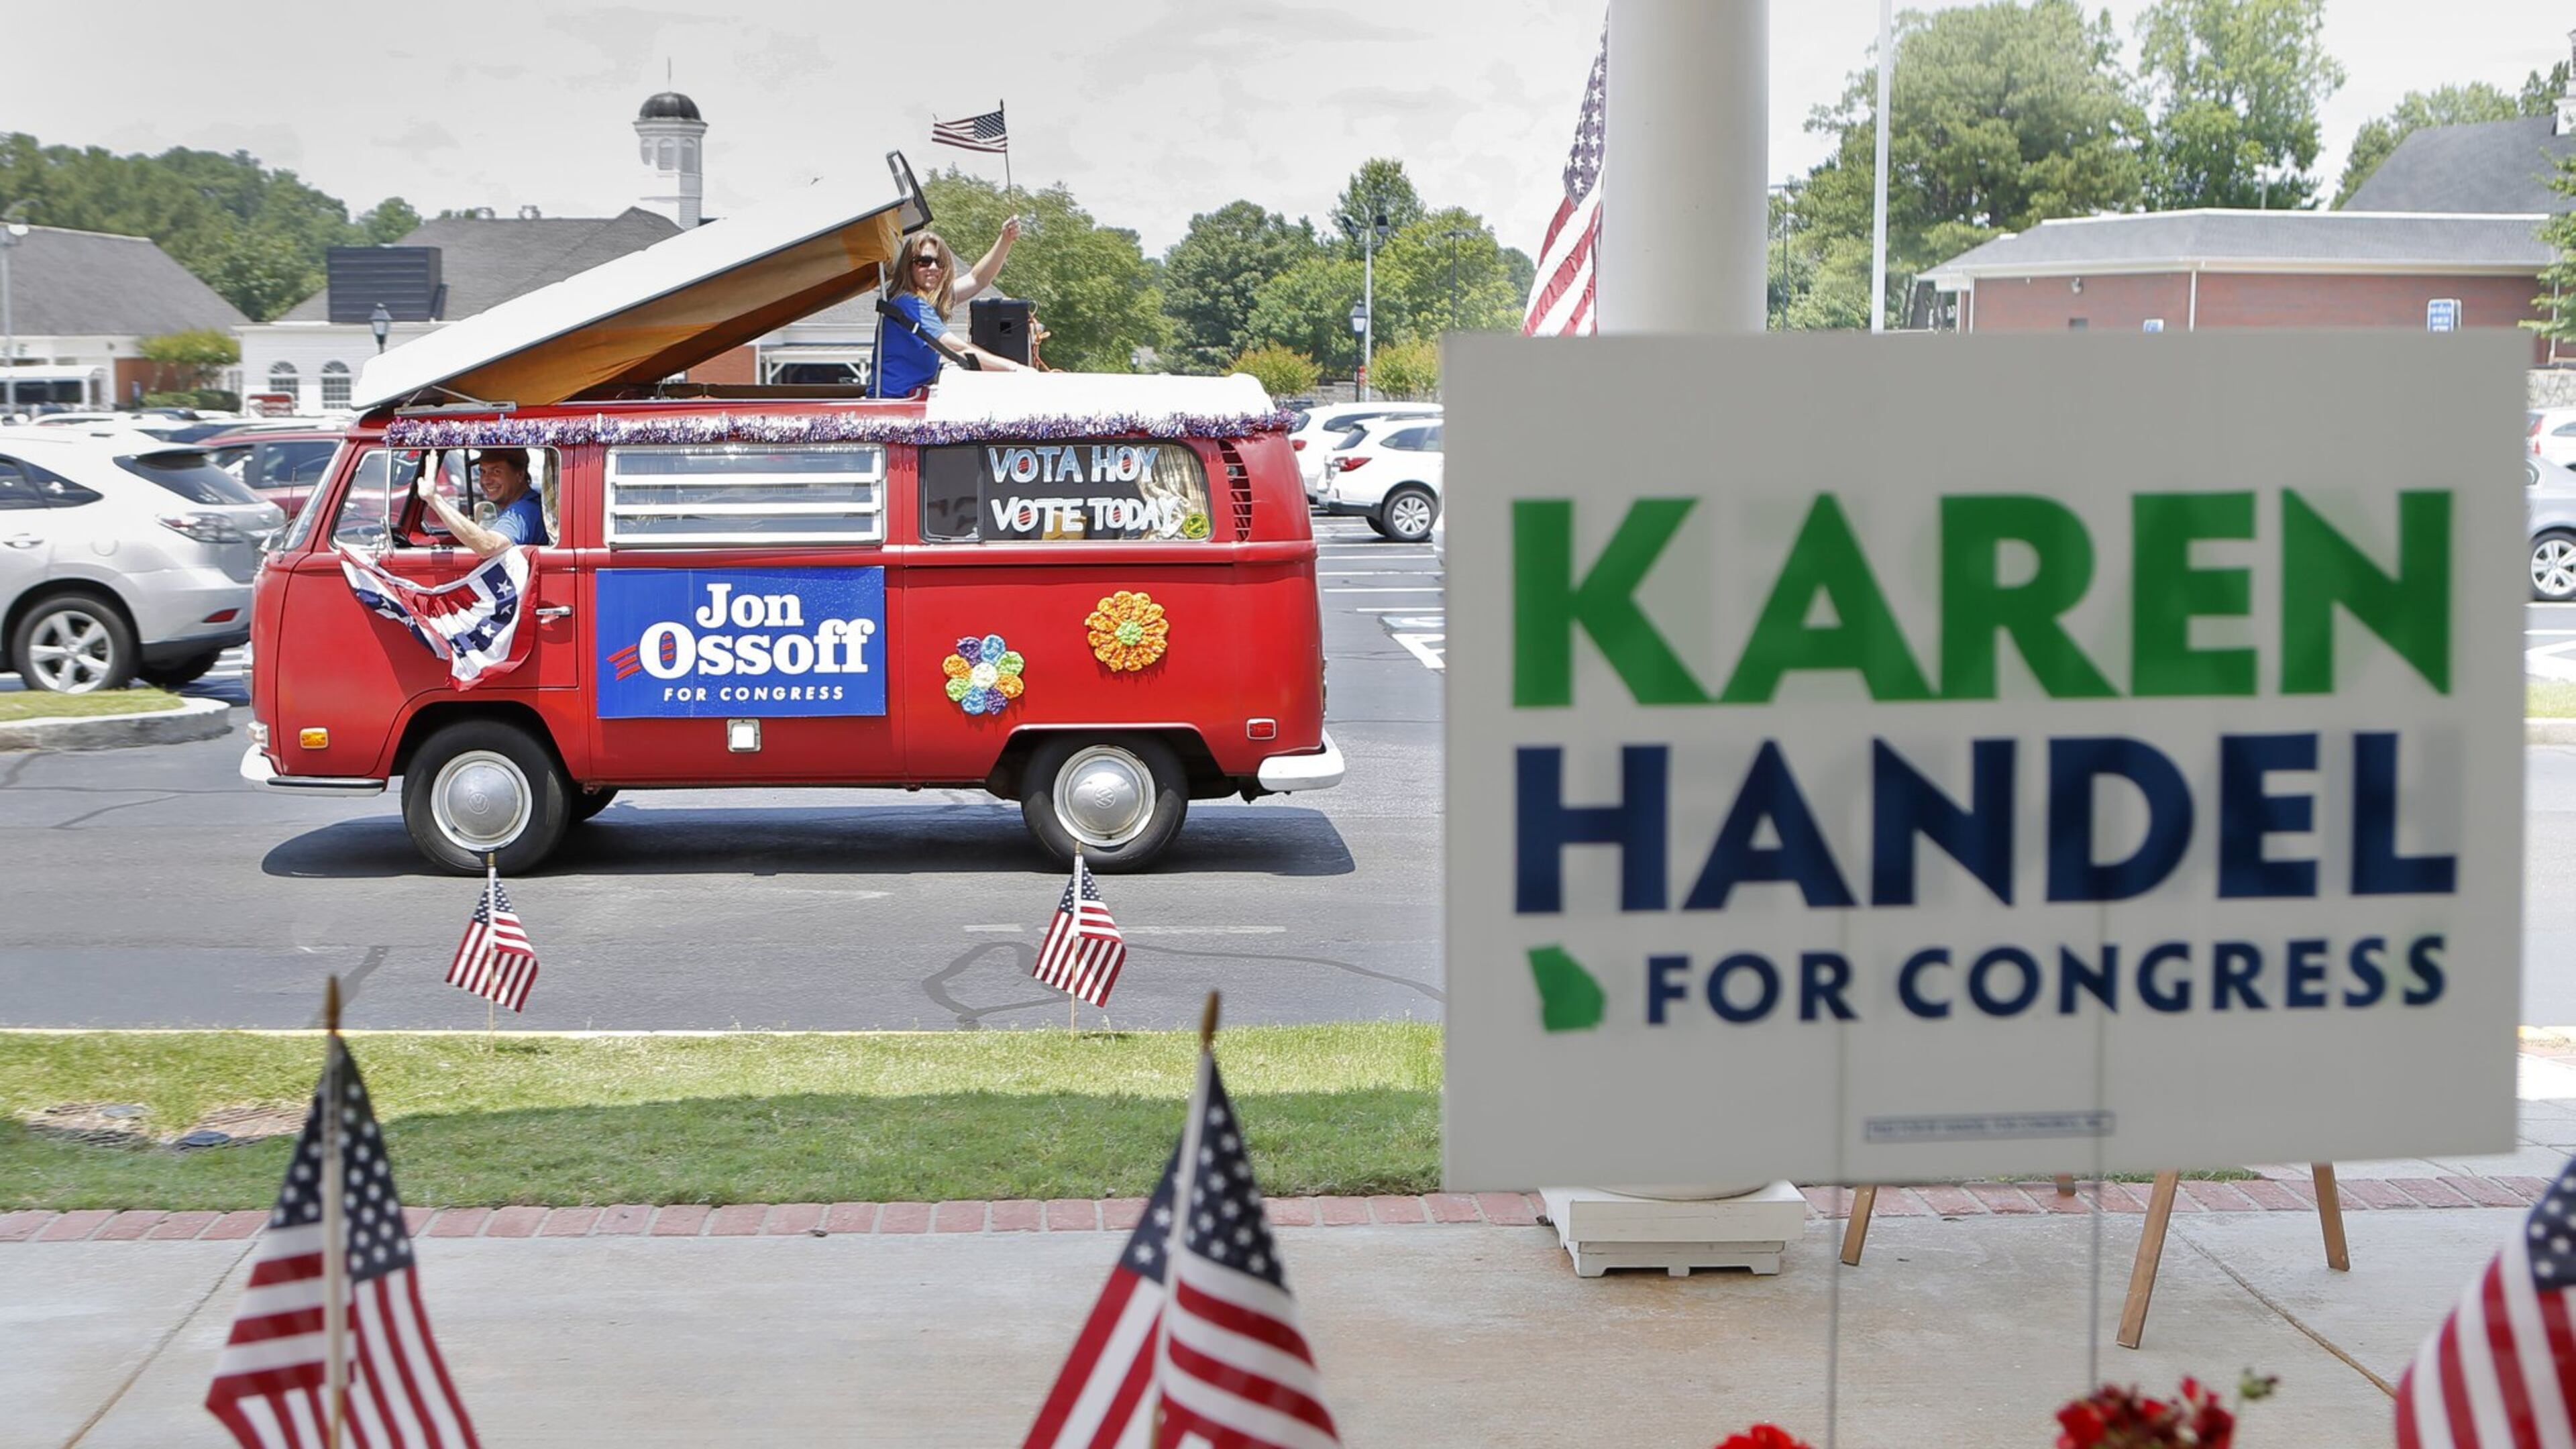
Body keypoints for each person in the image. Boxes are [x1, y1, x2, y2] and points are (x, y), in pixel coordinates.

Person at [875, 222, 1029, 398]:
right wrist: (1017, 369)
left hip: (912, 400)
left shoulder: (927, 301)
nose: (933, 268)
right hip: (895, 406)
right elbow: (955, 348)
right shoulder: (908, 304)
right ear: (908, 267)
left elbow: (978, 279)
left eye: (939, 262)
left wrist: (1006, 239)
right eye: (924, 262)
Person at [413, 447, 547, 558]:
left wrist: (434, 499)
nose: (486, 480)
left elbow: (489, 546)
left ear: (520, 474)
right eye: (483, 471)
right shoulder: (527, 504)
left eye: (496, 472)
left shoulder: (524, 511)